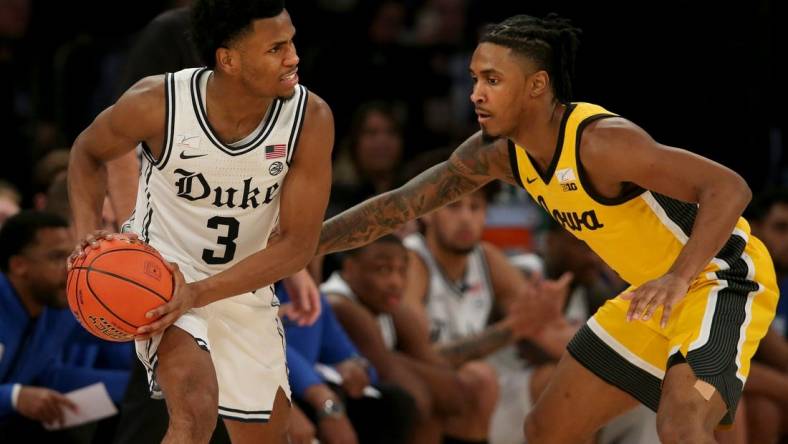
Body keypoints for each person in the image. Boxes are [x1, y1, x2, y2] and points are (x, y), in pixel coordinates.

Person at [317, 13, 778, 443]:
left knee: (681, 423)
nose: (476, 93)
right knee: (546, 428)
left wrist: (679, 276)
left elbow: (728, 187)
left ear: (537, 85)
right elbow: (399, 206)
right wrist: (305, 244)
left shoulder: (602, 143)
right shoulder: (497, 154)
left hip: (719, 276)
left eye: (492, 80)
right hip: (650, 296)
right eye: (476, 78)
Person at [67, 1, 334, 442]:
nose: (293, 58)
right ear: (228, 59)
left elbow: (297, 246)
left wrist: (201, 293)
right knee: (195, 412)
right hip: (163, 276)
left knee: (272, 436)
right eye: (276, 48)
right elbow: (88, 151)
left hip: (244, 286)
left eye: (292, 43)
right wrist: (86, 236)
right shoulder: (159, 102)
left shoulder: (310, 119)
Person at [322, 235, 502, 444]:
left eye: (401, 271)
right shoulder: (339, 303)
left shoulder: (386, 303)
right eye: (383, 270)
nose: (395, 282)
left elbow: (453, 392)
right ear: (350, 268)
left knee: (453, 396)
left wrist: (396, 357)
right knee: (413, 404)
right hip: (332, 407)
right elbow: (412, 393)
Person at [0, 211, 129, 441]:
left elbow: (122, 331)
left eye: (71, 256)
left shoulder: (56, 309)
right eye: (56, 257)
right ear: (19, 265)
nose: (70, 267)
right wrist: (13, 397)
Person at [278, 283, 416, 444]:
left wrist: (357, 367)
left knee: (394, 404)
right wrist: (325, 400)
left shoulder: (306, 290)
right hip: (271, 389)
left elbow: (349, 355)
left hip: (309, 391)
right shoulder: (252, 289)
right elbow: (268, 349)